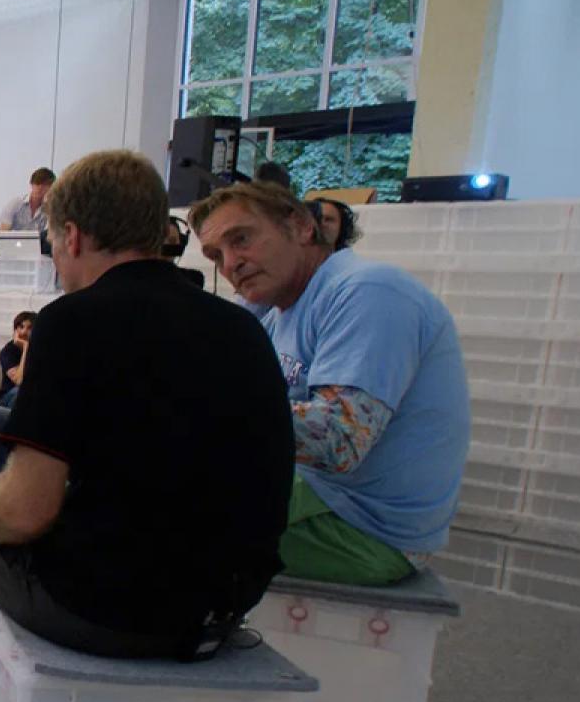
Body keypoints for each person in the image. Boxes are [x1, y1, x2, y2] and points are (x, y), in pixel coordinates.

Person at [0, 150, 292, 702]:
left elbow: (24, 514)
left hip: (114, 612)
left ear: (71, 235)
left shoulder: (73, 323)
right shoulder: (241, 328)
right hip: (217, 610)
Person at [191, 181, 466, 584]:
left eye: (242, 239)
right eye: (217, 255)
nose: (231, 263)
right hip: (325, 496)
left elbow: (339, 440)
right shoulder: (276, 306)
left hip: (365, 527)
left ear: (302, 226)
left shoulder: (368, 291)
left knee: (141, 514)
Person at [0, 310, 35, 407]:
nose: (24, 332)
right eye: (21, 327)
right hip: (9, 397)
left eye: (29, 328)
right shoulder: (7, 352)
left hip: (33, 394)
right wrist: (26, 348)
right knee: (22, 390)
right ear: (15, 330)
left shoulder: (40, 349)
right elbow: (19, 381)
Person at [0, 167, 56, 235]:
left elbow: (51, 236)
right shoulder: (16, 203)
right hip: (11, 243)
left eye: (44, 185)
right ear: (31, 185)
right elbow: (3, 233)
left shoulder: (49, 209)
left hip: (36, 244)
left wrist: (49, 204)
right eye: (37, 184)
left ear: (51, 187)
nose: (40, 188)